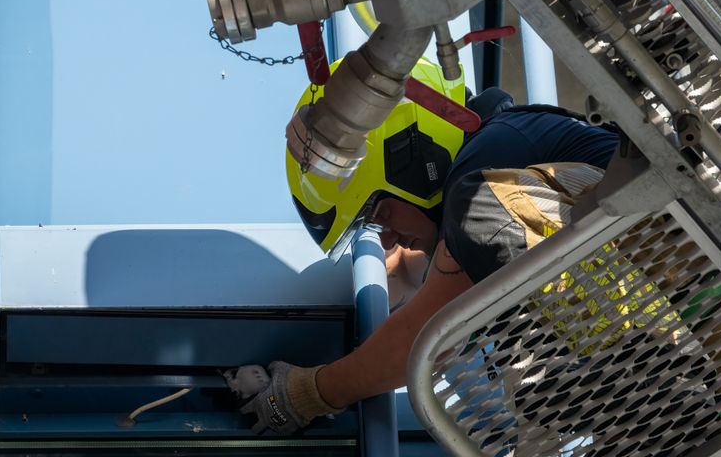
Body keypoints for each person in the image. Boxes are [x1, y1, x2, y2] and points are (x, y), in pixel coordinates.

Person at [224, 58, 620, 434]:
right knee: (537, 391)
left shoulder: (487, 170)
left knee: (477, 213)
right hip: (656, 338)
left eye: (377, 214)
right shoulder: (511, 176)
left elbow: (428, 336)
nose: (387, 239)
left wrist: (310, 393)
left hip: (659, 259)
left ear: (412, 156)